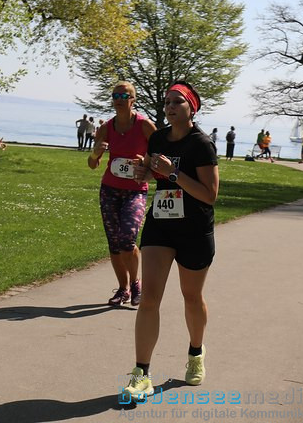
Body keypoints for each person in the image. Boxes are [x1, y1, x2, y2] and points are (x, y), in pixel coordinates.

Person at [122, 82, 219, 399]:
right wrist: (143, 172)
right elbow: (150, 173)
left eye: (177, 102)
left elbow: (209, 195)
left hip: (194, 229)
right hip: (161, 226)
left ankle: (195, 353)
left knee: (191, 297)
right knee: (150, 297)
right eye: (166, 102)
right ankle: (141, 373)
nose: (170, 107)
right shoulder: (158, 138)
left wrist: (173, 173)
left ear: (192, 107)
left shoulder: (201, 144)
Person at [87, 82, 156, 307]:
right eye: (115, 95)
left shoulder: (145, 126)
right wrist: (95, 153)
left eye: (123, 95)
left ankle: (136, 283)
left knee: (128, 237)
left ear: (132, 100)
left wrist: (146, 166)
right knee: (114, 243)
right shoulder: (106, 128)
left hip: (135, 191)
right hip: (110, 190)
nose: (118, 99)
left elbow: (160, 156)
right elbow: (92, 163)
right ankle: (123, 289)